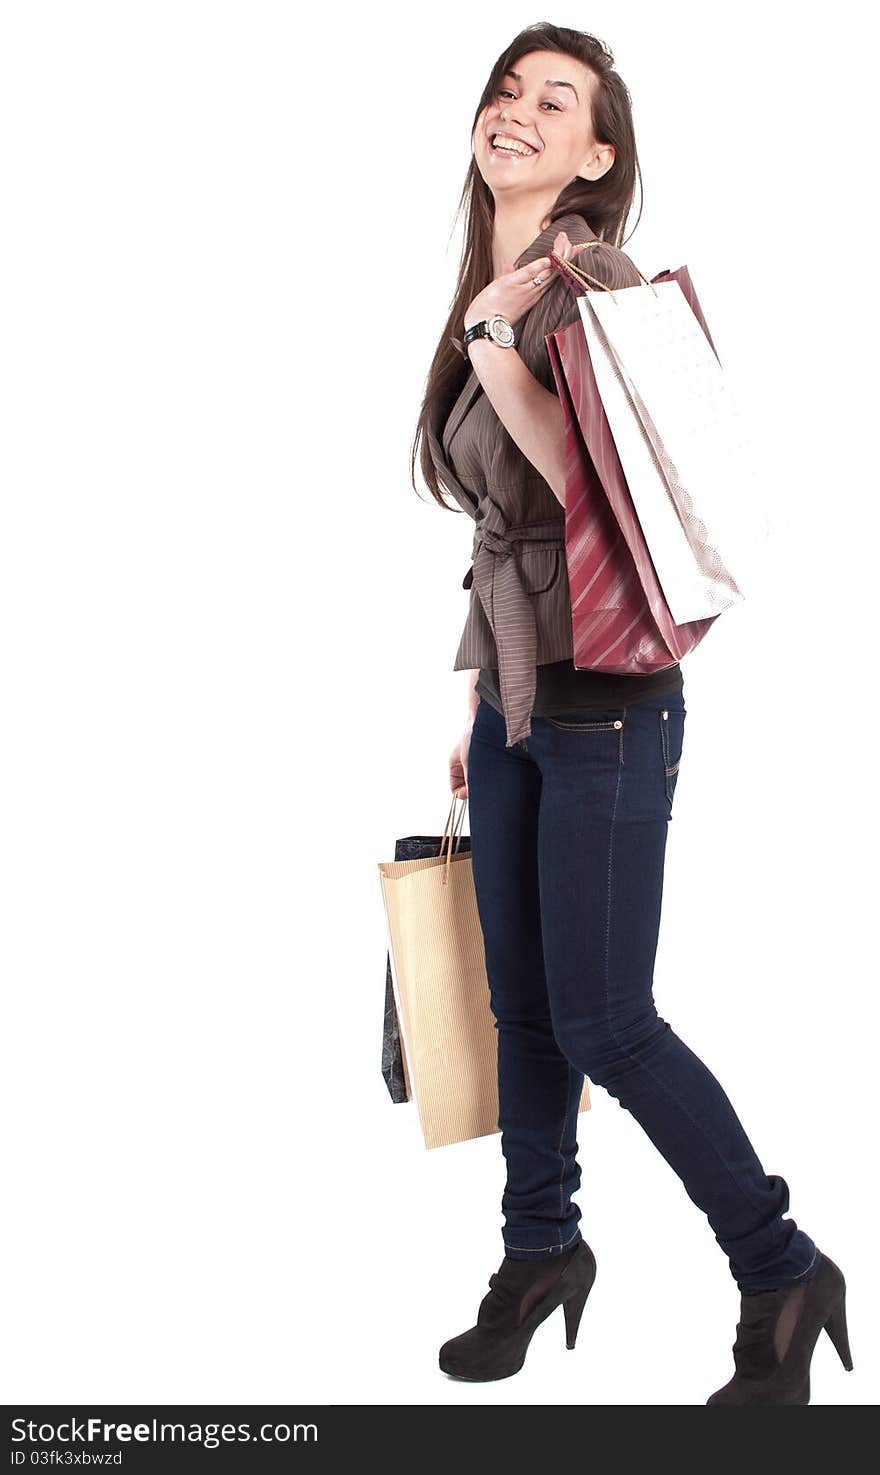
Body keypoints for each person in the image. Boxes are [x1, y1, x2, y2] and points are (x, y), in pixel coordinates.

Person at [411, 23, 852, 1405]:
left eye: (557, 101)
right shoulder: (485, 276)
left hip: (613, 700)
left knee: (605, 1019)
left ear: (600, 153)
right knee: (524, 1009)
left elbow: (588, 498)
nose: (517, 112)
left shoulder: (585, 280)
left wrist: (497, 351)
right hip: (526, 692)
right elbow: (496, 531)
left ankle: (780, 1267)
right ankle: (538, 1249)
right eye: (506, 89)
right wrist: (482, 696)